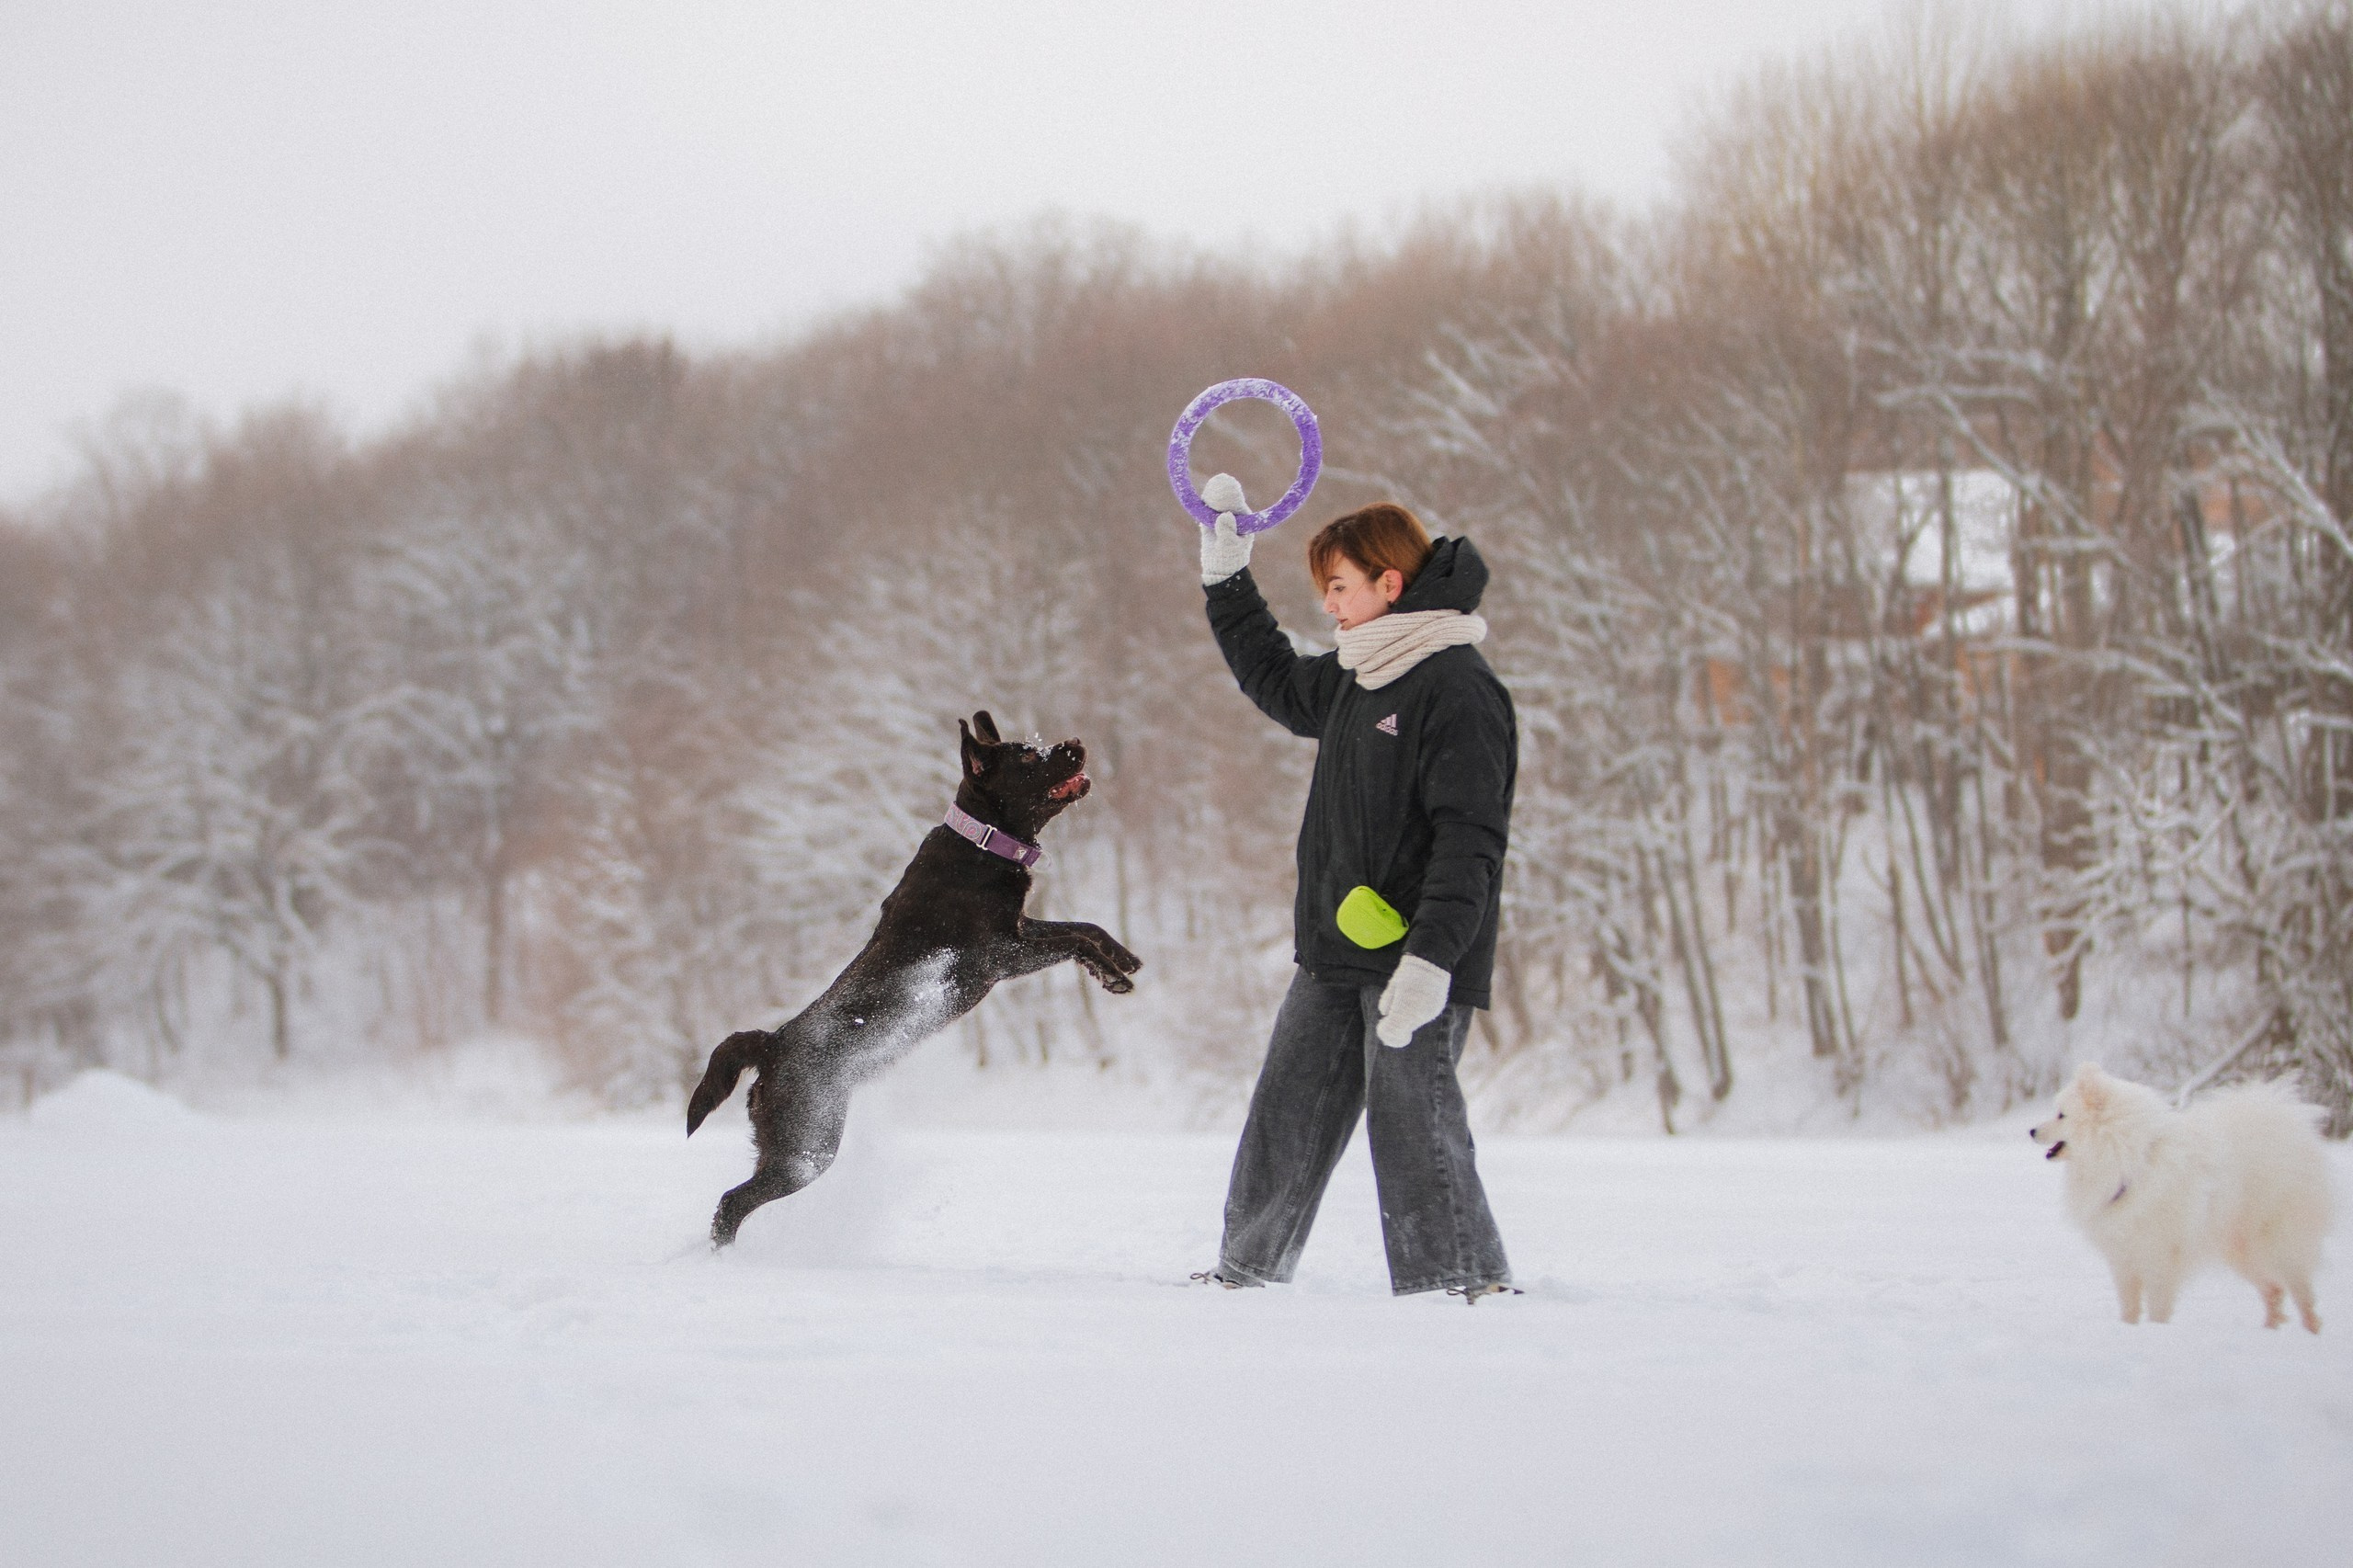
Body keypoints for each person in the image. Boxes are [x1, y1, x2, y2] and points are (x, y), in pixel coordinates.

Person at [1190, 472, 1518, 1301]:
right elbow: (1273, 676)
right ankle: (1244, 1276)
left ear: (1389, 583)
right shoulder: (1356, 677)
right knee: (1285, 1115)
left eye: (1339, 588)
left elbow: (1469, 841)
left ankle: (1461, 1287)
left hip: (1417, 962)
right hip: (1335, 954)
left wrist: (1432, 960)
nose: (1329, 607)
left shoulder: (1458, 688)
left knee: (1413, 1123)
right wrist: (1227, 579)